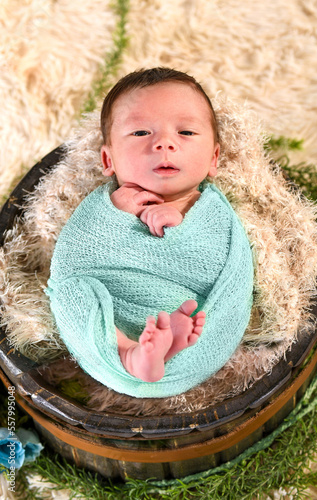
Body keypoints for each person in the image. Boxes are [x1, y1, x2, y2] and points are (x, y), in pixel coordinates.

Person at [45, 68, 254, 398]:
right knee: (71, 297)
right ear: (108, 158)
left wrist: (181, 224)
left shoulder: (209, 209)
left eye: (185, 132)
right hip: (112, 318)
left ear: (214, 158)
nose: (164, 143)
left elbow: (219, 257)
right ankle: (131, 353)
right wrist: (111, 212)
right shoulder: (101, 204)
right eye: (141, 132)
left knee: (189, 316)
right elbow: (77, 252)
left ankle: (163, 350)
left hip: (184, 308)